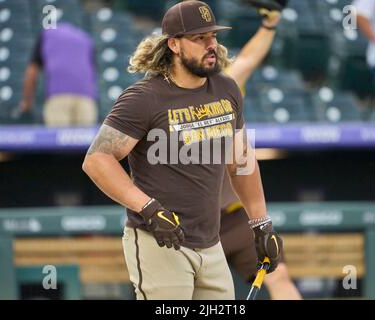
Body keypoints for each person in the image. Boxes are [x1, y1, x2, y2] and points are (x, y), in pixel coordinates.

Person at [82, 0, 283, 300]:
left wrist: (260, 223)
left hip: (211, 244)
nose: (211, 44)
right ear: (174, 45)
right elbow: (97, 160)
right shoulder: (144, 98)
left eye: (213, 36)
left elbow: (241, 160)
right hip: (160, 243)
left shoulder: (226, 89)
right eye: (199, 38)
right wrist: (147, 208)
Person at [219, 5, 302, 300]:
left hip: (236, 216)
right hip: (191, 223)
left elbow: (249, 59)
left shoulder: (222, 87)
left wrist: (269, 25)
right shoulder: (161, 102)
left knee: (280, 279)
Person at [19, 22, 98, 126]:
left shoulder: (47, 35)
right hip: (87, 100)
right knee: (86, 141)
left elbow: (31, 73)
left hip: (59, 98)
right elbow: (92, 71)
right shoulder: (86, 38)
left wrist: (27, 103)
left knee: (57, 140)